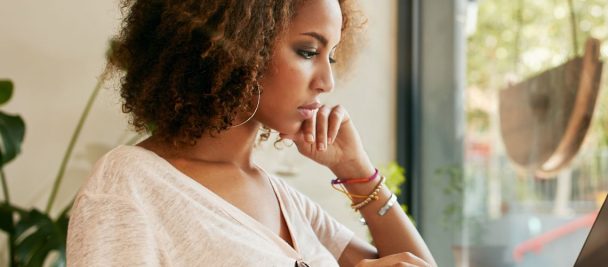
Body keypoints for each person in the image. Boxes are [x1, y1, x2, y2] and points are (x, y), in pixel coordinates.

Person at [66, 0, 435, 266]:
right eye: (308, 51)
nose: (327, 81)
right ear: (239, 47)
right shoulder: (128, 187)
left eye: (331, 56)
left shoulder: (285, 201)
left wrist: (358, 173)